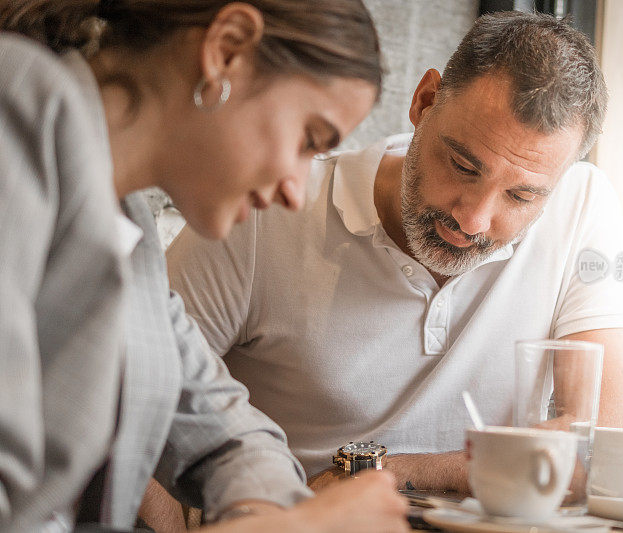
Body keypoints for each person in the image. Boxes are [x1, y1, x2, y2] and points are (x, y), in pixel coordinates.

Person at [166, 8, 623, 498]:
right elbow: (131, 405)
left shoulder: (581, 205)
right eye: (463, 166)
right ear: (424, 101)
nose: (474, 220)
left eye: (522, 197)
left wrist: (388, 473)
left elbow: (611, 454)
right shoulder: (271, 205)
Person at [0, 1, 409, 532]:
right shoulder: (17, 102)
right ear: (227, 49)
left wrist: (266, 513)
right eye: (309, 140)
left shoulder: (131, 231)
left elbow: (230, 435)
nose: (294, 190)